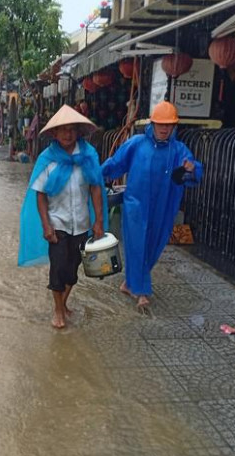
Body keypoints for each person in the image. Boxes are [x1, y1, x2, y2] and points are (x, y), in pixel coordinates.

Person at [101, 101, 203, 309]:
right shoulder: (136, 143)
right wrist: (95, 175)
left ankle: (130, 283)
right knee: (137, 245)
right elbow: (115, 163)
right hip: (135, 205)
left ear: (174, 126)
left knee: (154, 245)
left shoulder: (179, 150)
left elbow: (193, 171)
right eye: (160, 124)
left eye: (169, 125)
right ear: (153, 124)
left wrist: (191, 169)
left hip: (164, 207)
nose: (164, 129)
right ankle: (142, 291)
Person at [18, 105, 107, 329]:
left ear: (78, 131)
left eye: (71, 129)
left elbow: (96, 188)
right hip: (58, 223)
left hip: (82, 223)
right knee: (58, 268)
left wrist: (99, 222)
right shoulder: (47, 159)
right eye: (62, 130)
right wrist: (46, 225)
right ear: (54, 134)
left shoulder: (88, 156)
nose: (67, 134)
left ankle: (63, 303)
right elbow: (40, 195)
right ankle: (58, 310)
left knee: (73, 269)